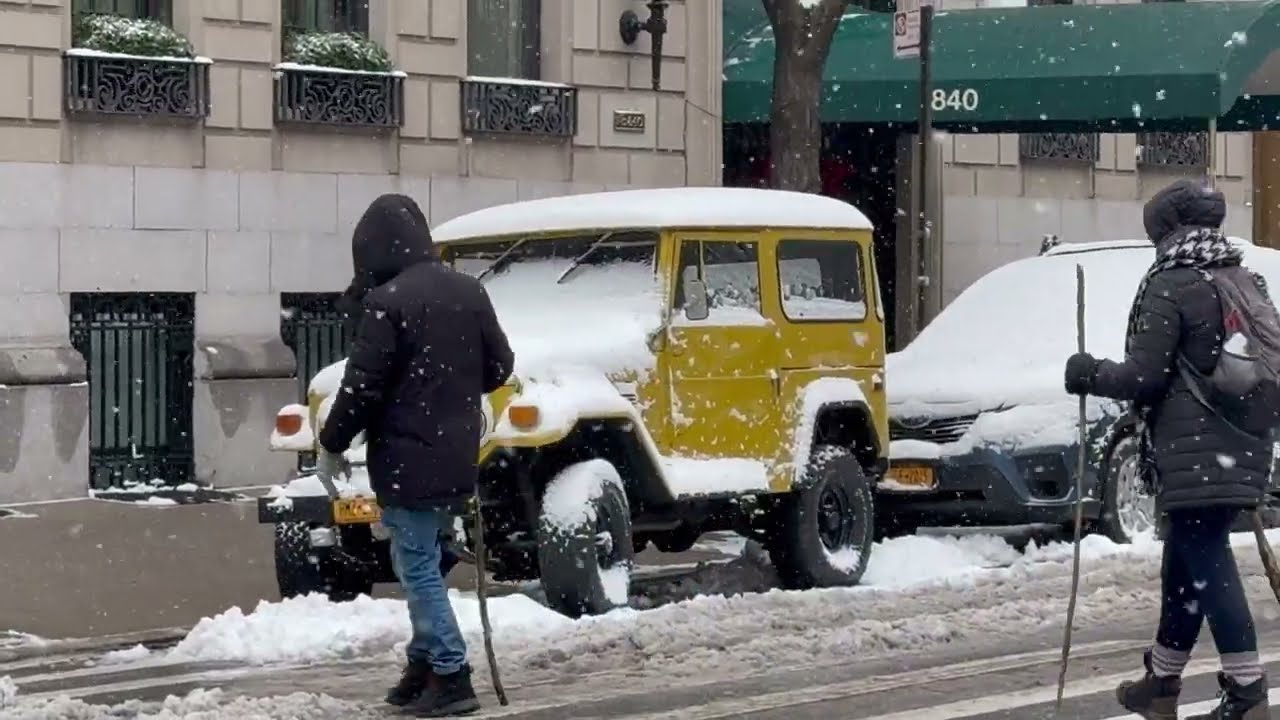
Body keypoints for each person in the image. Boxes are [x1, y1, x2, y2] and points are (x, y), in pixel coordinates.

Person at [1063, 178, 1276, 720]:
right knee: (1185, 564)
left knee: (1206, 561)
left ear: (1164, 232)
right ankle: (1161, 682)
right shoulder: (1243, 280)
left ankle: (1248, 692)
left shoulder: (1171, 283)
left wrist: (1088, 373)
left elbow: (1146, 376)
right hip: (1242, 444)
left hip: (1192, 450)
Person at [317, 193, 514, 717]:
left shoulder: (390, 302)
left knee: (418, 565)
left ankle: (450, 672)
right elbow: (501, 367)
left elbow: (362, 386)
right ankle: (422, 662)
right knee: (418, 557)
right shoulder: (469, 291)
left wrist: (332, 443)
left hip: (407, 457)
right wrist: (451, 389)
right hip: (456, 454)